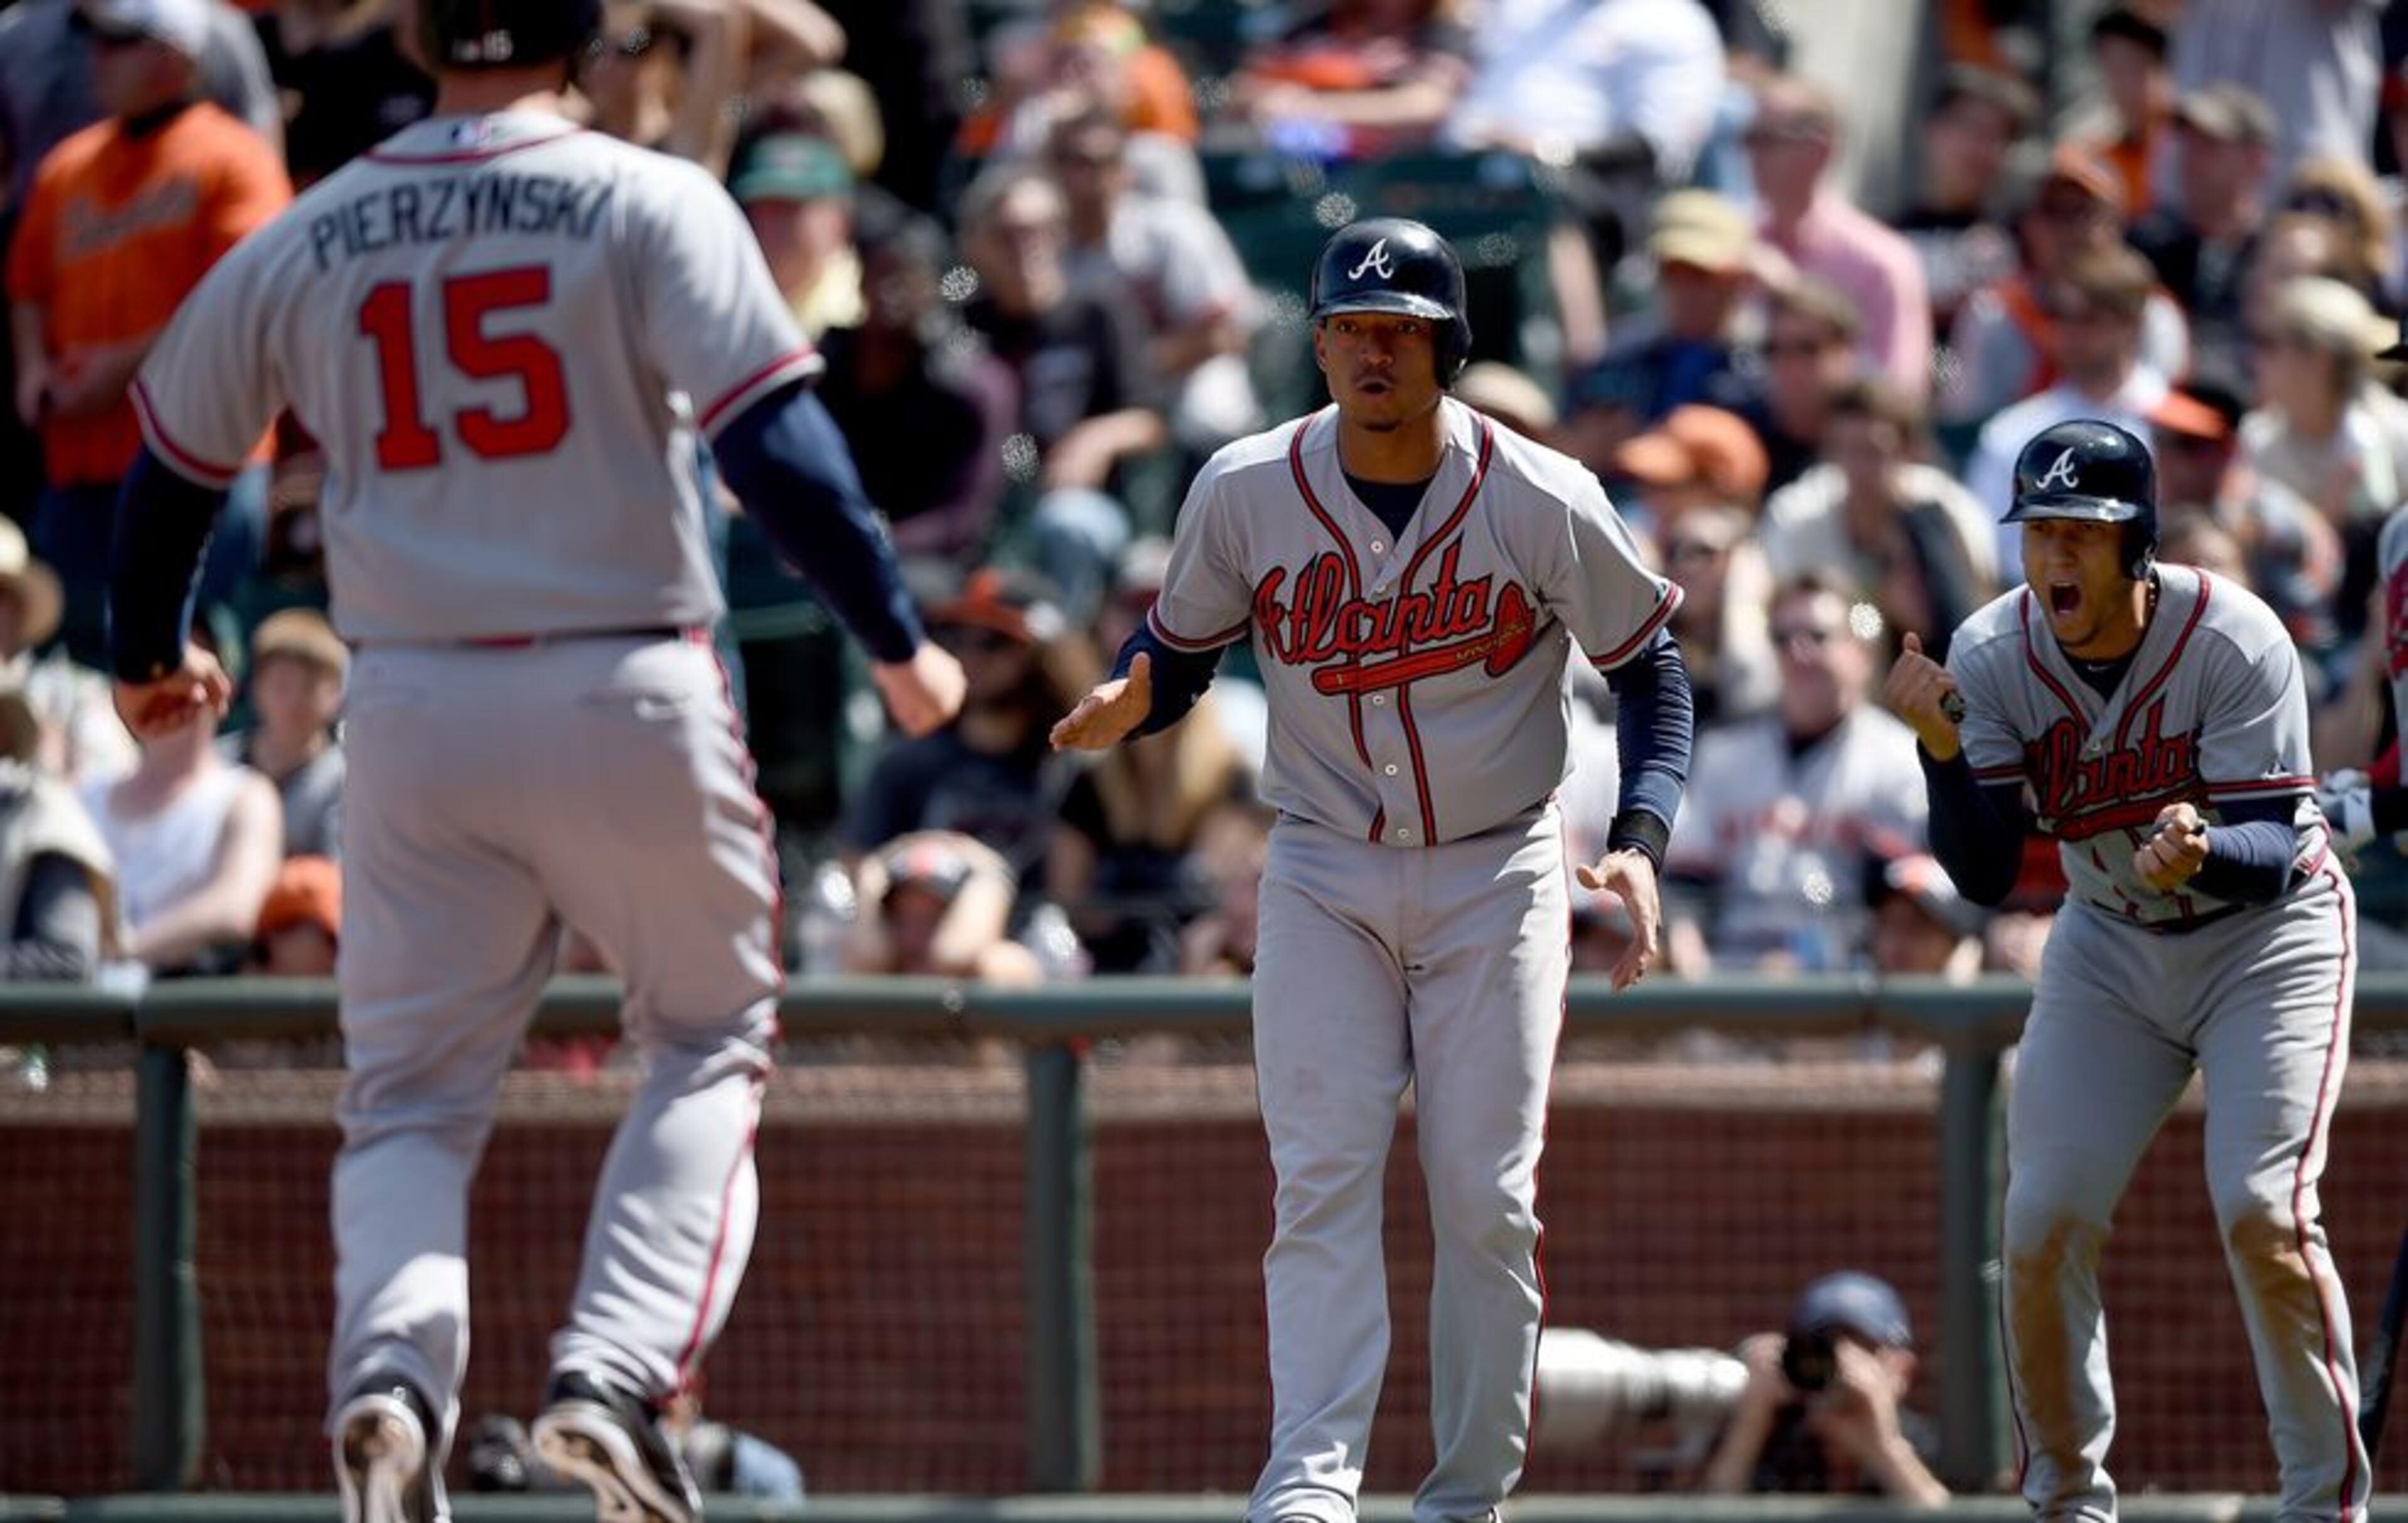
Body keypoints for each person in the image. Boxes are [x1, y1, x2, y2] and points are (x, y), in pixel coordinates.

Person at [101, 0, 967, 1518]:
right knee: (706, 1033)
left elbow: (171, 452)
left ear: (423, 38)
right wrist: (895, 644)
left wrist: (144, 651)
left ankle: (387, 1379)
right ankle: (617, 1378)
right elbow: (779, 447)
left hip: (412, 706)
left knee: (412, 1101)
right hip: (618, 672)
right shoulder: (646, 193)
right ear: (589, 41)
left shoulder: (318, 226)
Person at [1050, 217, 1693, 1523]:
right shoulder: (1243, 484)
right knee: (1322, 1175)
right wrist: (1137, 696)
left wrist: (1639, 839)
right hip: (1325, 864)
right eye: (1349, 327)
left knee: (1485, 1197)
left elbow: (1651, 671)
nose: (1371, 351)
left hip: (1496, 866)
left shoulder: (1542, 492)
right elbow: (1176, 650)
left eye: (1399, 328)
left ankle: (1466, 1493)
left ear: (1447, 346)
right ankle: (1310, 1480)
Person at [1884, 418, 2370, 1521]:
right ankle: (2065, 1500)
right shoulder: (1992, 652)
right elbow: (1987, 868)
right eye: (2040, 530)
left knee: (2265, 1208)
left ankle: (2323, 1504)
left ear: (2136, 544)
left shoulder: (2233, 634)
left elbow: (2273, 849)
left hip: (2267, 938)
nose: (2056, 555)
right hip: (2109, 936)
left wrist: (2204, 846)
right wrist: (1944, 748)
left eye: (2083, 533)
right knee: (2042, 1214)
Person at [7, 0, 292, 667]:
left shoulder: (234, 156)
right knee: (80, 664)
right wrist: (32, 369)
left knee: (193, 648)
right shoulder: (68, 165)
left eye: (121, 44)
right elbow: (26, 284)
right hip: (82, 454)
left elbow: (242, 293)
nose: (98, 60)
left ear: (176, 59)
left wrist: (123, 365)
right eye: (98, 44)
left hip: (200, 457)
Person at [1698, 1270, 1950, 1503]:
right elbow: (1704, 1513)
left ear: (1902, 1371)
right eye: (1822, 1348)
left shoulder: (1937, 1448)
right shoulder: (1771, 1441)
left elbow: (1957, 1514)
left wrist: (1884, 1450)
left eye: (1859, 1347)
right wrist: (1750, 1425)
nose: (1838, 1364)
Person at [221, 606, 346, 860]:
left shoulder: (345, 779)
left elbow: (333, 872)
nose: (294, 702)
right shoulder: (216, 763)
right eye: (282, 686)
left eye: (310, 688)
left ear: (337, 694)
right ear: (257, 688)